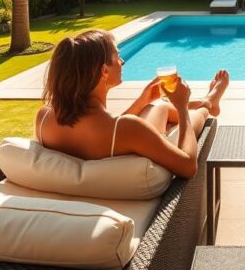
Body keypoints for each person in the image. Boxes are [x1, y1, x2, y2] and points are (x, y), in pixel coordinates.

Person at [36, 29, 229, 178]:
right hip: (130, 170)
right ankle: (209, 102)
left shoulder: (43, 118)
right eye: (117, 57)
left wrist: (142, 100)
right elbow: (188, 167)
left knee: (158, 106)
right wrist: (181, 106)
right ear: (104, 71)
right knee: (189, 113)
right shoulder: (129, 129)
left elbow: (105, 131)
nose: (122, 61)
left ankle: (208, 101)